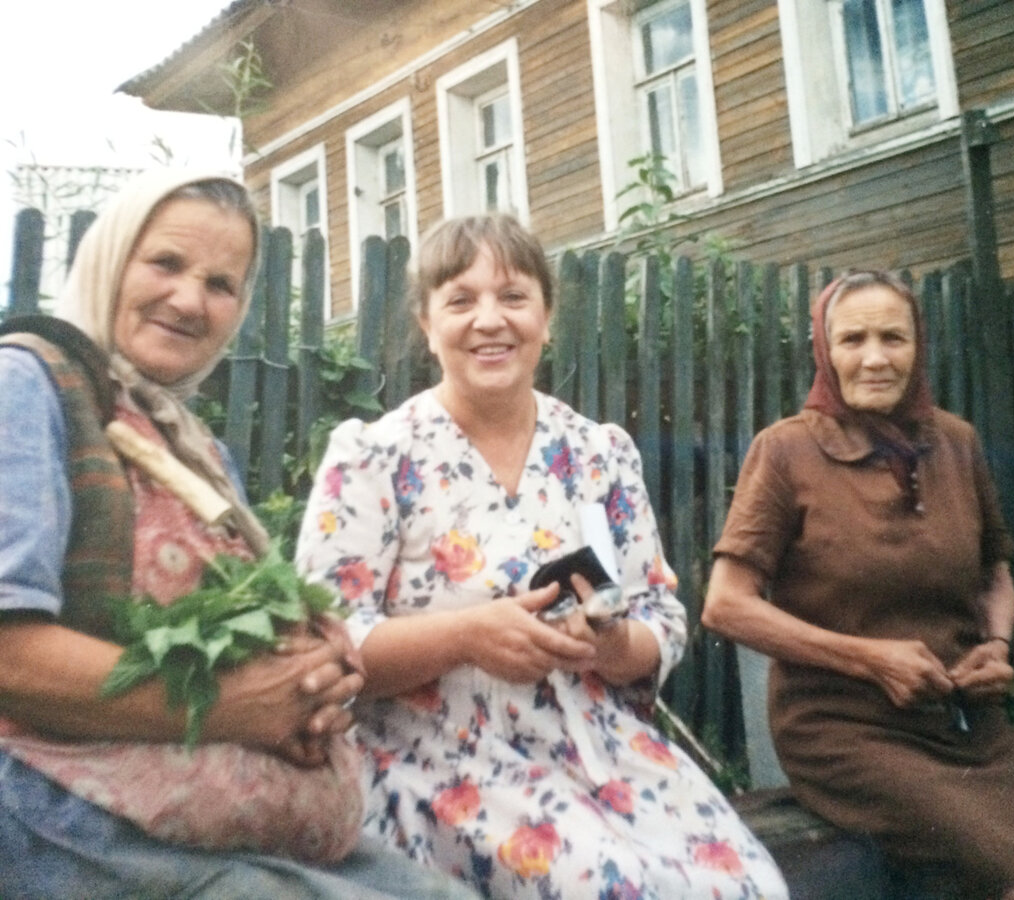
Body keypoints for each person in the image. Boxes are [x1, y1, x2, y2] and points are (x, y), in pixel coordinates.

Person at [0, 169, 476, 900]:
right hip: (62, 818)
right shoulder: (26, 386)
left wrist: (322, 670)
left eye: (222, 284)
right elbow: (9, 658)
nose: (190, 299)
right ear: (110, 257)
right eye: (164, 263)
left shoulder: (195, 449)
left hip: (200, 810)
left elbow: (259, 633)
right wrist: (234, 706)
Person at [295, 214, 787, 899]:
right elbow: (322, 651)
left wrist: (610, 642)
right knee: (607, 888)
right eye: (461, 300)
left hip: (601, 747)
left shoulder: (599, 454)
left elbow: (660, 618)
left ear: (547, 318)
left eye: (514, 297)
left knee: (749, 886)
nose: (489, 320)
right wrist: (467, 635)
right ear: (427, 323)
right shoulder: (375, 457)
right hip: (435, 758)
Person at [702, 270, 1014, 899]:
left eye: (893, 338)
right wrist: (870, 659)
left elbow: (996, 575)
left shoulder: (955, 442)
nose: (875, 358)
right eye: (853, 340)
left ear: (918, 347)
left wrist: (996, 645)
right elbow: (725, 607)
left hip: (963, 723)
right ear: (825, 352)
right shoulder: (786, 451)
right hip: (843, 729)